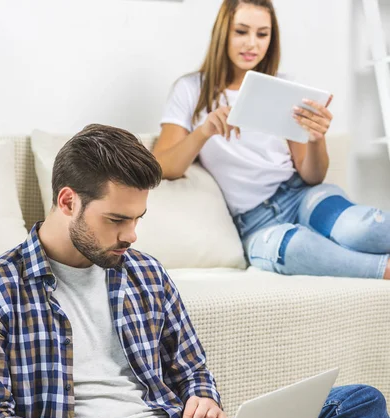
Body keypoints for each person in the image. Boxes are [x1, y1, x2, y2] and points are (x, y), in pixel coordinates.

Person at [0, 124, 388, 418]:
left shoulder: (144, 272)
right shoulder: (0, 291)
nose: (131, 236)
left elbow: (191, 370)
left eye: (138, 218)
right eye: (117, 220)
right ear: (68, 201)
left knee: (362, 406)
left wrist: (201, 399)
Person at [153, 0, 390, 280]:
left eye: (262, 34)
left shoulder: (285, 89)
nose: (251, 43)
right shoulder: (191, 90)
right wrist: (204, 131)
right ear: (223, 33)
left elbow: (312, 176)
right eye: (241, 31)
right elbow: (163, 166)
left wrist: (316, 139)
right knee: (297, 249)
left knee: (360, 229)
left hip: (304, 196)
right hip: (255, 223)